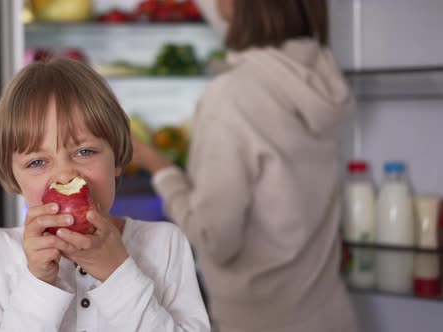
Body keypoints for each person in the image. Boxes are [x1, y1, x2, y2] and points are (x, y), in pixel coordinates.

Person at [131, 0, 359, 331]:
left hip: (263, 320)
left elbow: (214, 240)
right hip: (330, 314)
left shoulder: (232, 96)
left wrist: (156, 164)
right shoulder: (321, 78)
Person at [0, 58, 210, 331]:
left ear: (117, 159)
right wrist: (38, 281)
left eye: (85, 152)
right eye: (37, 162)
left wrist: (117, 273)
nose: (66, 175)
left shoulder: (165, 244)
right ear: (13, 176)